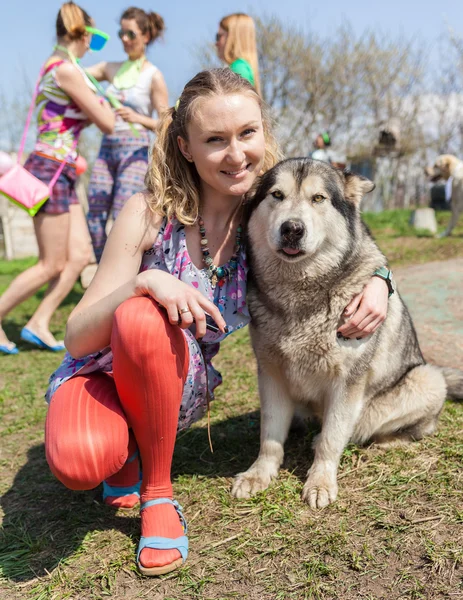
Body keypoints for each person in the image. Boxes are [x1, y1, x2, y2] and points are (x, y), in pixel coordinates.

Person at [44, 68, 390, 577]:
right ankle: (127, 453)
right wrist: (145, 284)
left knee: (148, 337)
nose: (236, 154)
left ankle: (155, 488)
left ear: (263, 134)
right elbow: (76, 335)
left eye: (247, 134)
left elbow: (348, 239)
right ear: (185, 147)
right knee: (82, 457)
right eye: (215, 140)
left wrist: (382, 279)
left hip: (175, 389)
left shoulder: (267, 216)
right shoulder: (148, 213)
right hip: (103, 376)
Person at [0, 2, 114, 355]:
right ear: (82, 34)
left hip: (63, 170)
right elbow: (106, 122)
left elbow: (84, 78)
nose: (95, 46)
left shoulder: (67, 67)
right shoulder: (65, 70)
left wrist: (100, 73)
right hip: (49, 169)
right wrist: (103, 95)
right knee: (51, 263)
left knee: (79, 257)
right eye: (95, 38)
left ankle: (38, 322)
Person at [86, 6, 169, 263]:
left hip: (134, 150)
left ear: (145, 36)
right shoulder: (111, 68)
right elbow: (77, 75)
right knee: (95, 214)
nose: (124, 39)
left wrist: (140, 119)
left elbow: (167, 123)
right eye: (121, 33)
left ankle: (125, 272)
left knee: (123, 214)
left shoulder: (152, 76)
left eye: (130, 34)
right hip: (107, 146)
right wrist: (83, 35)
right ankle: (104, 270)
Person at [216, 13, 260, 93]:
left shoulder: (238, 69)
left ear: (232, 38)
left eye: (219, 37)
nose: (216, 43)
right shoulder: (242, 67)